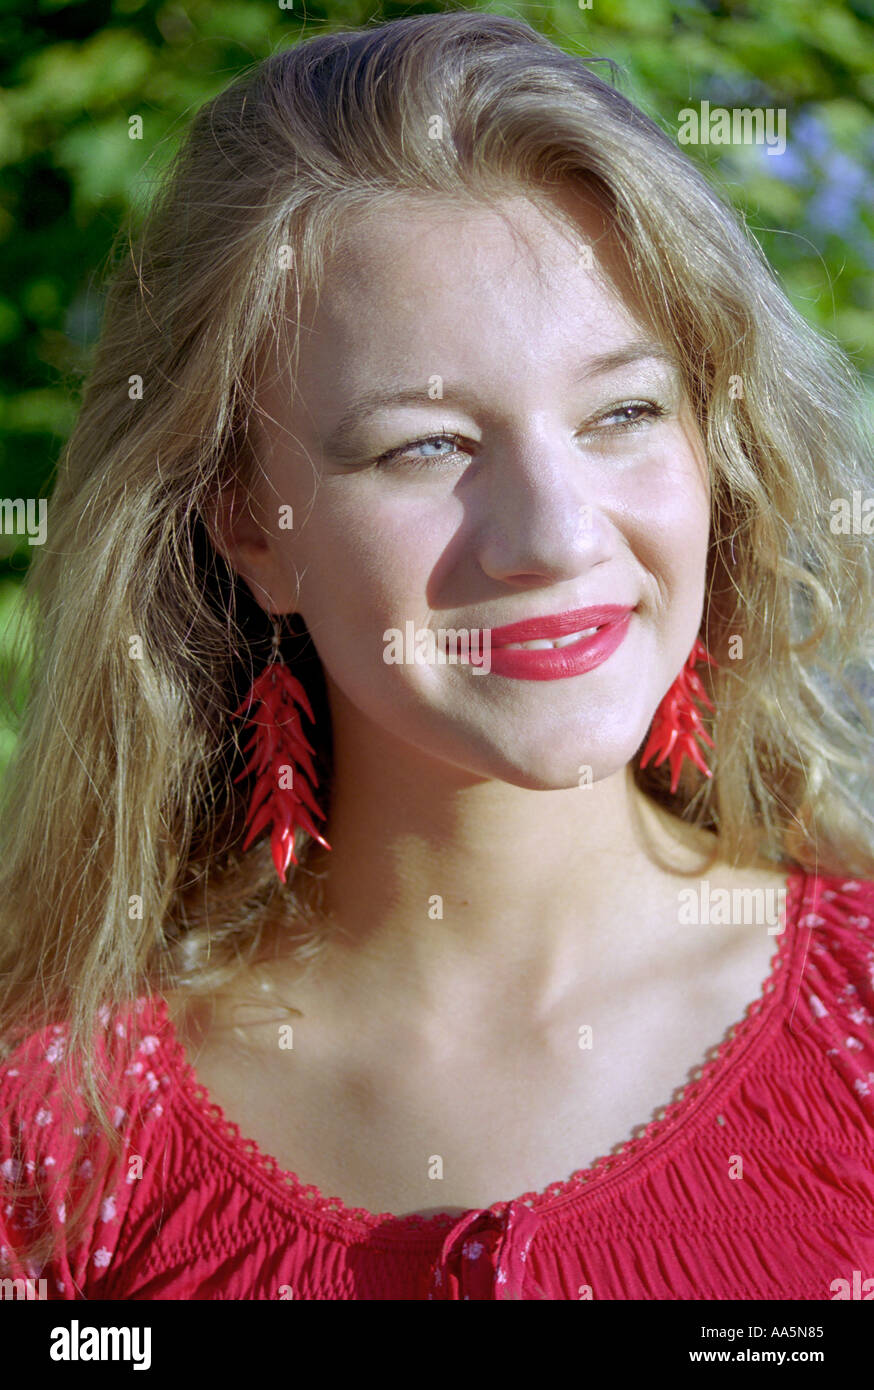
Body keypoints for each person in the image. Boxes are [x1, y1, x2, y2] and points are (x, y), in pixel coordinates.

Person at [1, 11, 873, 1302]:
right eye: (426, 446)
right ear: (248, 526)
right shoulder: (49, 1127)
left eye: (623, 412)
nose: (555, 536)